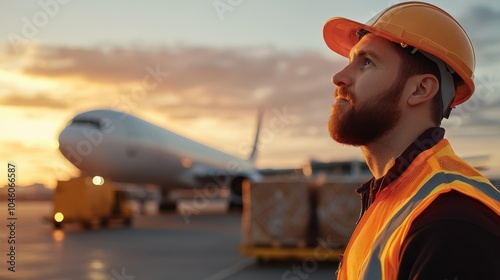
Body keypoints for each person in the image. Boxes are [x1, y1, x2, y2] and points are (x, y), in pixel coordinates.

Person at [322, 2, 500, 279]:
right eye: (350, 62)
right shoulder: (397, 196)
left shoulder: (451, 221)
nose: (339, 78)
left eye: (366, 62)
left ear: (420, 89)